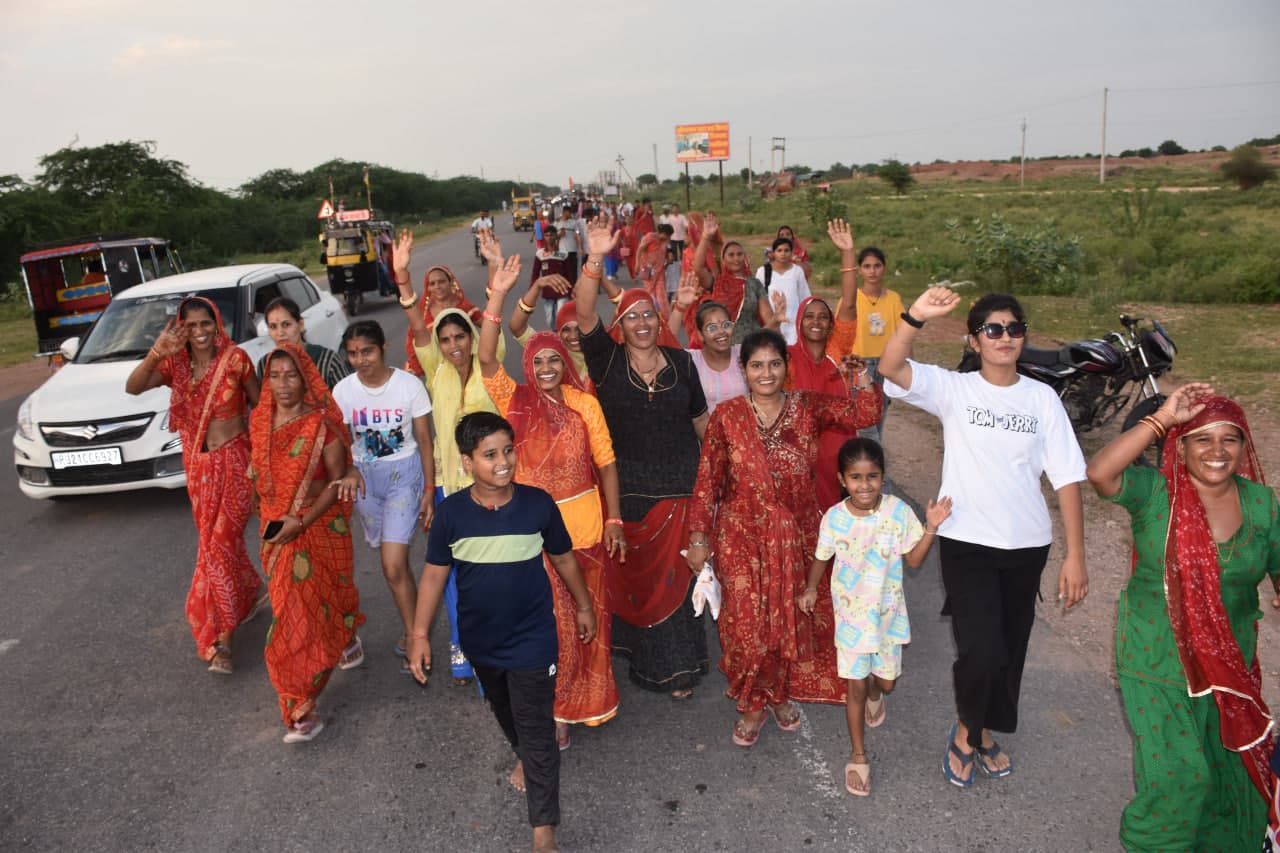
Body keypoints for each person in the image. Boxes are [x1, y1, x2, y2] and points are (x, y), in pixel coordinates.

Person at [878, 286, 1088, 787]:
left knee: (1010, 649)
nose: (1005, 338)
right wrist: (915, 317)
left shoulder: (1042, 399)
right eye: (993, 330)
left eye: (1014, 329)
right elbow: (889, 367)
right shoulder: (956, 389)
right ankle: (969, 731)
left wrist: (1076, 554)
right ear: (975, 341)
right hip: (967, 541)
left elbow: (1067, 479)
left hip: (1027, 545)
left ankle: (983, 729)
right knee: (981, 649)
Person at [1085, 385, 1279, 851]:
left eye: (1228, 439)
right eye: (1201, 439)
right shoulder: (1156, 492)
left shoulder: (1261, 504)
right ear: (1181, 444)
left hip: (1230, 667)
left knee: (1226, 773)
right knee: (1180, 780)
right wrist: (1162, 417)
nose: (1216, 451)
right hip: (1155, 659)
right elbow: (1099, 473)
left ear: (1242, 444)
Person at [406, 412, 597, 853]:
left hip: (533, 639)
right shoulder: (451, 514)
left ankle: (543, 831)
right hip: (481, 642)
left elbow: (564, 558)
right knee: (505, 708)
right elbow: (435, 576)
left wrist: (584, 605)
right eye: (490, 455)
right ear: (468, 462)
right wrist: (419, 635)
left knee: (535, 724)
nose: (504, 461)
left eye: (508, 450)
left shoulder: (537, 504)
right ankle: (526, 754)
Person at [687, 329, 882, 746]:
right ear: (744, 371)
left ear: (786, 367)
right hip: (740, 534)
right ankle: (755, 702)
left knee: (785, 623)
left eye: (774, 364)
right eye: (756, 365)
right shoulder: (728, 417)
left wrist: (863, 377)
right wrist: (700, 536)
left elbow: (863, 413)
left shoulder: (806, 407)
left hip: (796, 536)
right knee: (746, 628)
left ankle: (774, 698)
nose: (766, 373)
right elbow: (707, 481)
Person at [479, 256, 623, 747]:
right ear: (528, 364)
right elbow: (484, 359)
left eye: (553, 359)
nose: (545, 367)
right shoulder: (513, 400)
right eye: (537, 360)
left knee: (589, 619)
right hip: (530, 534)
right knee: (547, 629)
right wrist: (497, 297)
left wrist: (616, 518)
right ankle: (555, 711)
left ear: (565, 363)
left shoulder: (584, 404)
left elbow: (605, 463)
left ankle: (590, 701)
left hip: (585, 529)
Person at [574, 219, 711, 699]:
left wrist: (717, 473)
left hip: (679, 486)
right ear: (620, 325)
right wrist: (595, 259)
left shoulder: (682, 364)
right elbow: (583, 308)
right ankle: (637, 658)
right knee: (638, 581)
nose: (642, 323)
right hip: (629, 492)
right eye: (631, 317)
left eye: (649, 315)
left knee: (676, 584)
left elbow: (701, 424)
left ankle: (679, 668)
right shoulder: (607, 363)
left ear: (659, 319)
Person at [800, 438, 951, 796]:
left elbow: (913, 560)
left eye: (872, 476)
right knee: (853, 687)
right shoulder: (834, 519)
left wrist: (931, 526)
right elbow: (822, 556)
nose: (864, 485)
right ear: (842, 479)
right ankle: (858, 755)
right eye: (856, 477)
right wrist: (810, 589)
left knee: (885, 684)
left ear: (882, 476)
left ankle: (874, 692)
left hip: (887, 618)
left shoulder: (897, 512)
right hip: (852, 619)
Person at [126, 296, 263, 674]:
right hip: (199, 469)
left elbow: (262, 407)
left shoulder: (235, 360)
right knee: (219, 543)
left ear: (217, 324)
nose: (200, 332)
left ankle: (222, 640)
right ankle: (250, 591)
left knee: (217, 547)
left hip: (235, 464)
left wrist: (264, 466)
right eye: (192, 326)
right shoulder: (176, 364)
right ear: (181, 328)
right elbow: (133, 387)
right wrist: (156, 354)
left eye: (206, 324)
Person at [395, 229, 503, 686]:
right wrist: (402, 277)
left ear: (473, 335)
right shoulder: (435, 371)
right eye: (447, 338)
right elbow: (418, 326)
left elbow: (493, 326)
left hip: (493, 486)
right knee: (457, 576)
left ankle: (496, 659)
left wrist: (497, 282)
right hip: (449, 488)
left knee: (494, 575)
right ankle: (467, 654)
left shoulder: (490, 366)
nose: (454, 344)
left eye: (462, 335)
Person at [250, 344, 364, 743]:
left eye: (291, 375)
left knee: (324, 602)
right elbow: (259, 483)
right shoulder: (259, 423)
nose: (283, 384)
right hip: (277, 538)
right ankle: (301, 701)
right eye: (275, 376)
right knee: (291, 615)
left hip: (315, 527)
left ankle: (302, 704)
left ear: (306, 379)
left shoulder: (321, 426)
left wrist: (301, 521)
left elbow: (335, 483)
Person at [333, 320, 434, 673]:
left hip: (403, 478)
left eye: (367, 351)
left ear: (383, 348)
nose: (360, 360)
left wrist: (430, 490)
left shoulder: (408, 386)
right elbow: (340, 441)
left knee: (392, 564)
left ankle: (414, 638)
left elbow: (424, 441)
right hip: (364, 484)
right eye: (353, 354)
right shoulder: (343, 391)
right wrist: (348, 469)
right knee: (396, 563)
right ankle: (414, 627)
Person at [786, 219, 867, 510]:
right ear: (799, 322)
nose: (817, 322)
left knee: (840, 520)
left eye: (823, 316)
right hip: (800, 453)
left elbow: (848, 303)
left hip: (839, 449)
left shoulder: (838, 349)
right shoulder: (786, 358)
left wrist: (848, 253)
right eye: (810, 316)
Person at [673, 212, 779, 348]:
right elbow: (698, 268)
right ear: (723, 260)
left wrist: (775, 322)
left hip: (751, 346)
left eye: (740, 254)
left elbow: (767, 316)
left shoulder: (754, 284)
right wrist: (705, 237)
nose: (736, 258)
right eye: (731, 255)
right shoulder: (717, 283)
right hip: (724, 348)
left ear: (745, 257)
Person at [849, 246, 904, 444]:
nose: (872, 271)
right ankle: (876, 469)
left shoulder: (894, 299)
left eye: (877, 266)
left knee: (880, 419)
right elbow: (841, 335)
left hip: (887, 365)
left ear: (884, 268)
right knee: (866, 425)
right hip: (860, 366)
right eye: (867, 266)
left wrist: (909, 367)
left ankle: (875, 471)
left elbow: (903, 336)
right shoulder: (851, 299)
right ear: (859, 270)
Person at [668, 281, 745, 414]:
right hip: (705, 433)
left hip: (745, 432)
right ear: (700, 335)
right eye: (712, 327)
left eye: (726, 325)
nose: (721, 332)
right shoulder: (692, 361)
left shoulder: (744, 353)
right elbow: (666, 346)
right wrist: (680, 307)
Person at [401, 264, 481, 380]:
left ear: (451, 282)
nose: (437, 286)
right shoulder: (423, 313)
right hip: (437, 369)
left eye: (441, 281)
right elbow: (414, 339)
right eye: (432, 284)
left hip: (465, 365)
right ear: (427, 288)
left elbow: (490, 325)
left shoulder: (465, 308)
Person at [255, 296, 351, 390]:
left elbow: (347, 398)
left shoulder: (327, 360)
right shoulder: (265, 364)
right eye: (273, 327)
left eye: (286, 325)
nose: (280, 333)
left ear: (300, 325)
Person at [755, 236, 811, 345]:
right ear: (773, 253)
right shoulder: (763, 271)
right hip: (771, 322)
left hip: (793, 324)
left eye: (786, 250)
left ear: (791, 252)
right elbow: (758, 298)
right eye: (779, 250)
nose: (783, 254)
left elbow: (805, 297)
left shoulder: (797, 271)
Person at [531, 227, 573, 328]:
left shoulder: (564, 254)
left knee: (560, 315)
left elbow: (569, 274)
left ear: (556, 236)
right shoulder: (540, 254)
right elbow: (535, 274)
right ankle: (555, 332)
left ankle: (560, 336)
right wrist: (532, 291)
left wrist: (571, 291)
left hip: (562, 290)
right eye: (547, 235)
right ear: (544, 237)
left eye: (551, 235)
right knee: (550, 319)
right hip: (548, 291)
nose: (549, 238)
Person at [557, 207, 587, 279]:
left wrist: (581, 249)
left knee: (573, 271)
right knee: (562, 271)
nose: (569, 214)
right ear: (563, 212)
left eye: (569, 213)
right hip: (561, 251)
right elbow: (554, 237)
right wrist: (560, 234)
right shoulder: (557, 223)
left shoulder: (574, 223)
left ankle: (573, 286)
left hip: (572, 250)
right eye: (567, 212)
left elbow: (577, 235)